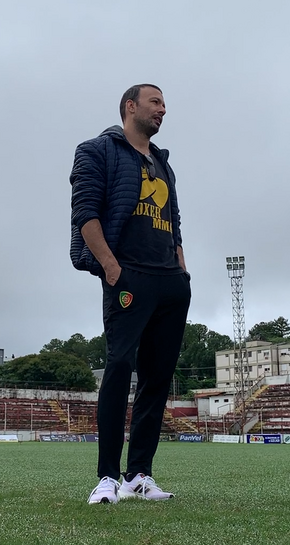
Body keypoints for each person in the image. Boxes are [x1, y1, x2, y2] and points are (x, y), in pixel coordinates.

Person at [70, 84, 191, 504]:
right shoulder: (96, 151)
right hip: (128, 276)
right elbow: (86, 213)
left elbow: (175, 220)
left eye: (164, 104)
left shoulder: (163, 164)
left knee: (157, 380)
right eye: (155, 102)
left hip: (169, 282)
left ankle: (139, 474)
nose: (163, 109)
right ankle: (106, 477)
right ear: (130, 106)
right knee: (120, 367)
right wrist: (111, 267)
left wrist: (181, 267)